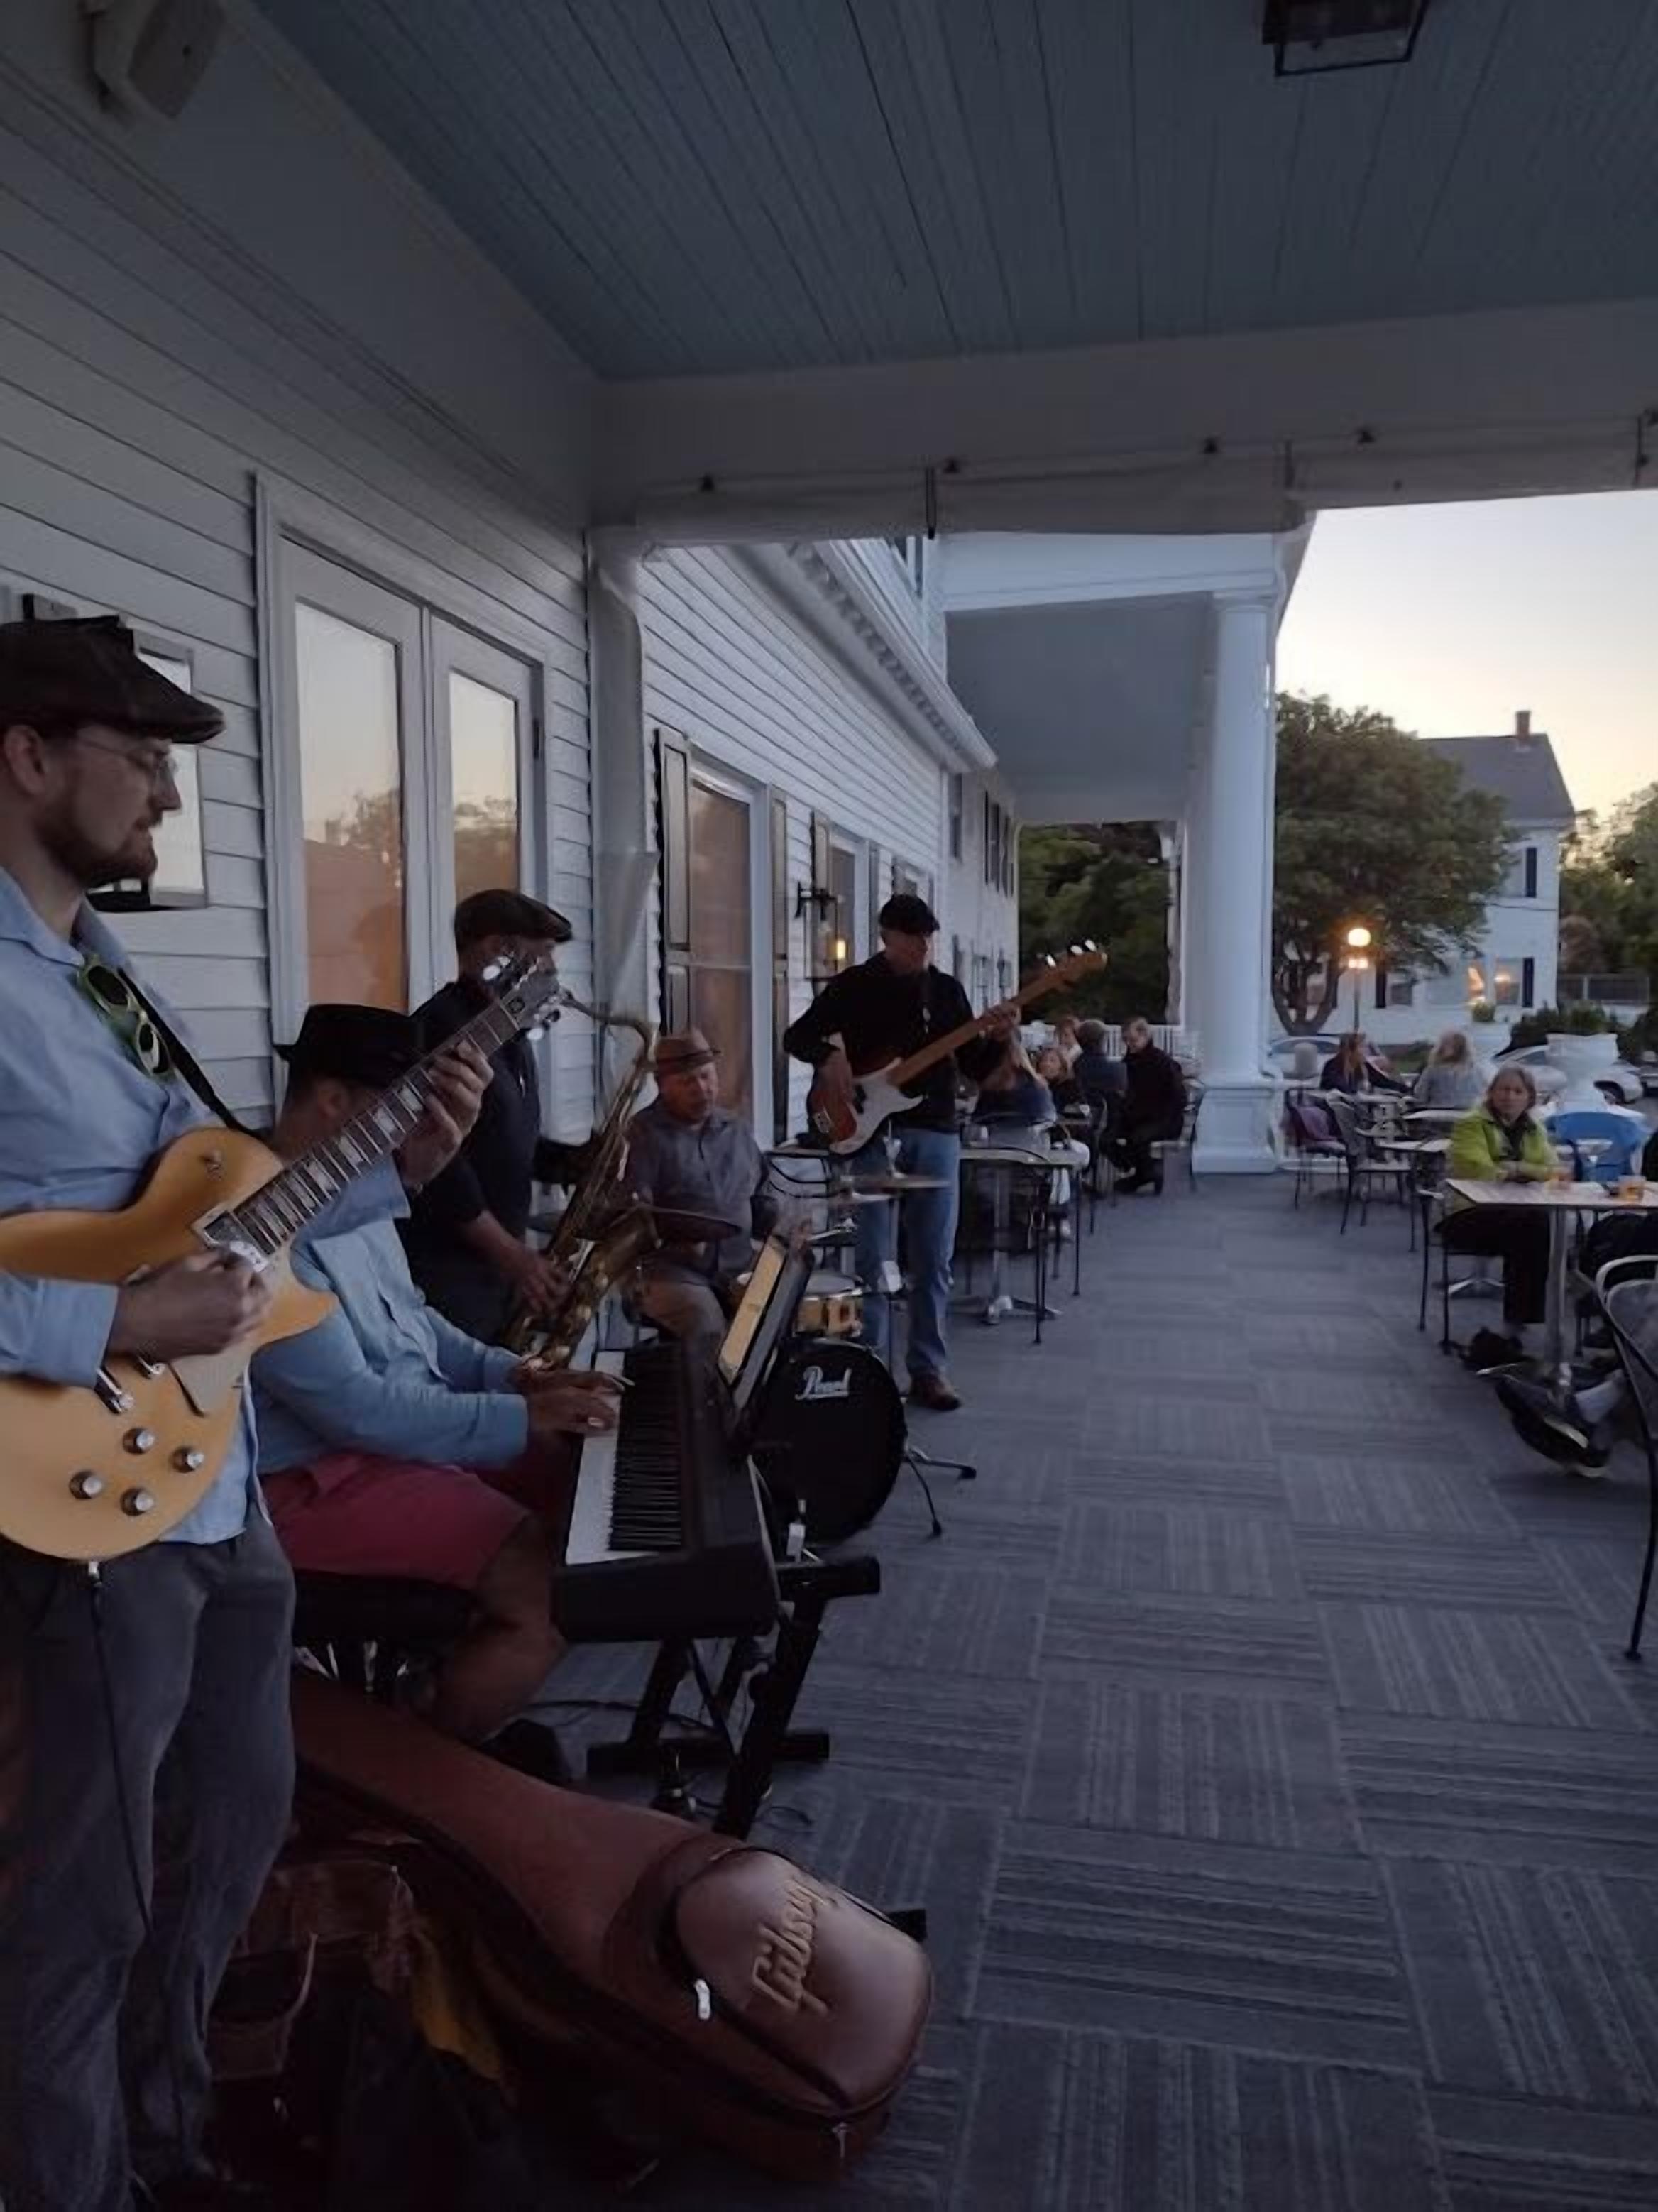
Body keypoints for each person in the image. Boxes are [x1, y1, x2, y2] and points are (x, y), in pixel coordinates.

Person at [0, 617, 488, 2212]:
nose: (161, 794)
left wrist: (396, 1178)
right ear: (25, 756)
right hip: (80, 1504)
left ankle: (166, 2132)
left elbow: (220, 1217)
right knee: (96, 1890)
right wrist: (114, 1318)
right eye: (137, 757)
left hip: (213, 1492)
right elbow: (136, 1279)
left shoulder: (100, 966)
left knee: (235, 1835)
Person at [254, 1006, 620, 1748]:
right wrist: (520, 1415)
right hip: (309, 1482)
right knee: (544, 1585)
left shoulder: (352, 1189)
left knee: (578, 1486)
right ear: (333, 1102)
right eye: (401, 1109)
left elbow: (416, 1320)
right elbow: (357, 1411)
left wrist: (515, 1373)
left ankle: (435, 1675)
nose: (418, 1129)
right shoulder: (261, 1219)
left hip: (384, 1448)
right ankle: (416, 1778)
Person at [784, 893, 1019, 1411]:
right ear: (887, 937)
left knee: (935, 1257)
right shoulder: (854, 987)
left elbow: (978, 1070)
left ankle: (929, 1369)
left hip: (935, 1129)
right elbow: (796, 1036)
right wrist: (828, 1059)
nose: (924, 947)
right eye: (914, 938)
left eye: (929, 938)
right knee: (873, 1257)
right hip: (868, 1133)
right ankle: (871, 1367)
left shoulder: (948, 991)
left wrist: (1002, 1036)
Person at [402, 887, 583, 1345]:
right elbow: (440, 1167)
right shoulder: (442, 1026)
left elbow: (505, 1141)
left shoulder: (512, 1035)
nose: (553, 974)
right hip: (449, 1275)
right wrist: (513, 1256)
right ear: (496, 951)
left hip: (495, 1274)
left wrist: (577, 1162)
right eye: (542, 956)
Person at [623, 1028, 779, 1347]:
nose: (701, 1089)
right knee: (705, 1322)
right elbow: (634, 1218)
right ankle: (707, 1397)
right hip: (668, 1271)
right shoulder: (642, 1135)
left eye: (707, 1077)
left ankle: (756, 1396)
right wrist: (675, 1238)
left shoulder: (736, 1130)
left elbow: (764, 1200)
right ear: (661, 1086)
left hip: (738, 1266)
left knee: (782, 1313)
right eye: (686, 1082)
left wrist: (787, 1228)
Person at [1440, 1064, 1554, 1351]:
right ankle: (1520, 1319)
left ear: (1529, 1098)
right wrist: (1527, 1172)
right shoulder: (1471, 1124)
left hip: (1519, 1215)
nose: (1510, 1097)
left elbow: (1553, 1170)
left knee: (1535, 1225)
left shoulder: (1534, 1128)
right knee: (1532, 1228)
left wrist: (1515, 1167)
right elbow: (1480, 1169)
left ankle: (1518, 1320)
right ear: (1491, 1093)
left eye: (1518, 1091)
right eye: (1504, 1090)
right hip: (1466, 1214)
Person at [1109, 1017, 1187, 1195]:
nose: (1129, 1045)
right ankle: (1146, 1168)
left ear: (1145, 1036)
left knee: (1138, 1137)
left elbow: (1178, 1097)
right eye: (1126, 1040)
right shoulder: (1130, 1061)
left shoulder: (1162, 1061)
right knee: (1107, 1137)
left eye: (1133, 1040)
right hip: (1138, 1117)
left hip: (1165, 1119)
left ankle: (1143, 1173)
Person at [977, 1040, 1058, 1128]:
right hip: (1002, 1138)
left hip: (1028, 1138)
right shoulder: (991, 1088)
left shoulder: (1036, 1086)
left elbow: (1049, 1117)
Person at [1414, 1029, 1486, 1111]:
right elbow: (1484, 1095)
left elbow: (1420, 1096)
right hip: (1470, 1114)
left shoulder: (1433, 1071)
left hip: (1439, 1115)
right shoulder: (1478, 1071)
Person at [1320, 1031, 1407, 1097]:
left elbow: (1382, 1081)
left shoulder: (1363, 1066)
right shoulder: (1332, 1066)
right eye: (1362, 1047)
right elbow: (1342, 1087)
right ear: (1350, 1050)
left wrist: (1405, 1089)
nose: (1366, 1052)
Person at [1033, 1043, 1082, 1114]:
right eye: (1043, 1060)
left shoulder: (1070, 1087)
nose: (1046, 1064)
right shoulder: (1035, 1084)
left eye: (1052, 1061)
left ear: (1062, 1066)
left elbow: (1051, 1109)